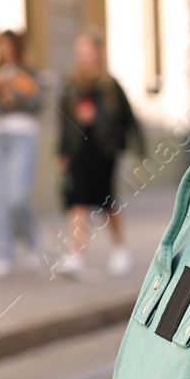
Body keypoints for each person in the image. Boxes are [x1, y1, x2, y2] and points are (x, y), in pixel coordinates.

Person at [54, 30, 143, 278]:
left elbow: (125, 119)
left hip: (103, 152)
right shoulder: (71, 84)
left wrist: (128, 145)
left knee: (107, 202)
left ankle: (120, 249)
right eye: (80, 51)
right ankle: (77, 254)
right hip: (78, 151)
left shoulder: (109, 85)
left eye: (89, 50)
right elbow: (63, 119)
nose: (85, 56)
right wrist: (61, 150)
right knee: (77, 200)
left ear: (98, 52)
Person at [0, 29, 43, 279]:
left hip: (23, 135)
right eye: (1, 46)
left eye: (10, 46)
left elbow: (37, 104)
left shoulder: (30, 73)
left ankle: (32, 244)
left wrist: (12, 95)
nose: (5, 51)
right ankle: (4, 255)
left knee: (17, 196)